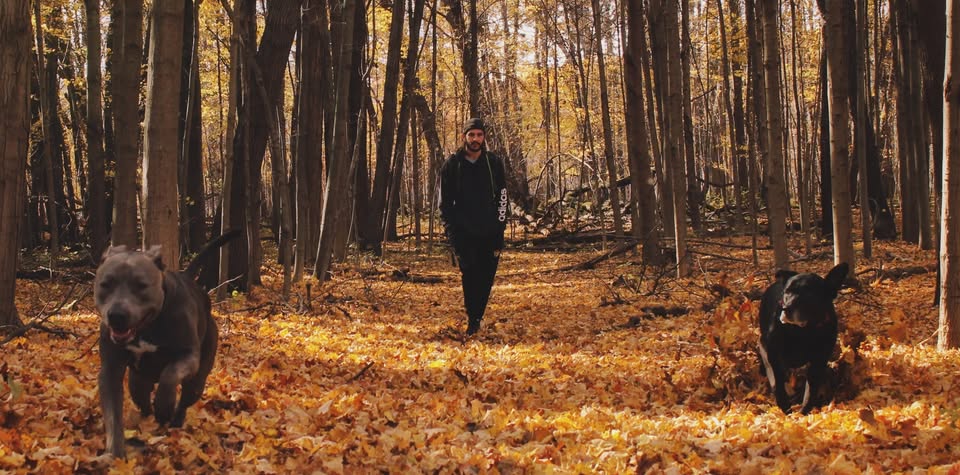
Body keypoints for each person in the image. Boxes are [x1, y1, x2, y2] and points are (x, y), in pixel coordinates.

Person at [440, 118, 509, 336]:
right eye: (471, 135)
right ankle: (473, 319)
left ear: (484, 137)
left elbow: (503, 197)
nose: (475, 139)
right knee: (469, 275)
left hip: (490, 233)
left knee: (486, 276)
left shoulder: (493, 163)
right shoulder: (452, 165)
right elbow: (445, 203)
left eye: (479, 135)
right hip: (464, 234)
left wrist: (500, 227)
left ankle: (477, 316)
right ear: (464, 137)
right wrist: (451, 232)